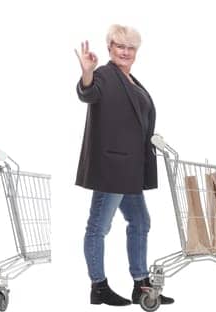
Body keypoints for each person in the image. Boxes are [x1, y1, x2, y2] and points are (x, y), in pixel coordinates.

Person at [73, 24, 173, 307]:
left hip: (131, 169)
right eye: (120, 46)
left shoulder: (131, 80)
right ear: (110, 49)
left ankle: (141, 285)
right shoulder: (104, 75)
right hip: (112, 167)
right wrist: (86, 72)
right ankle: (99, 287)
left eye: (130, 48)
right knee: (98, 227)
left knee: (140, 221)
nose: (125, 52)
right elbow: (87, 93)